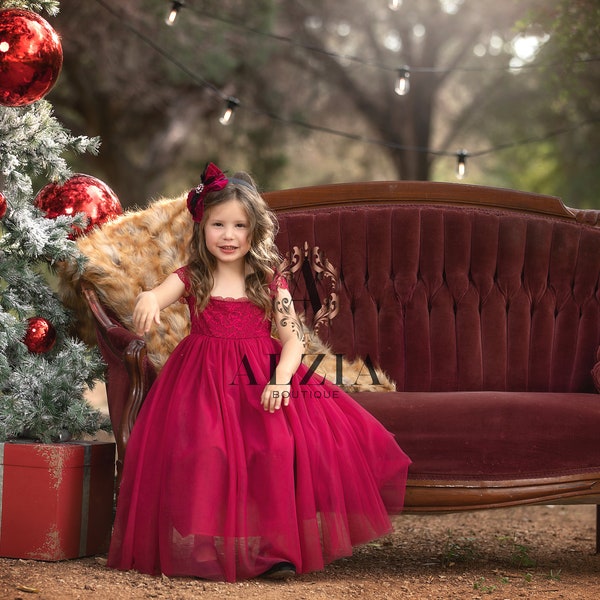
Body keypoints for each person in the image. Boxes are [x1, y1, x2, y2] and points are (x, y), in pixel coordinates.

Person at [107, 163, 411, 582]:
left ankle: (276, 548)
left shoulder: (269, 281)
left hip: (260, 381)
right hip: (202, 381)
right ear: (201, 228)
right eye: (218, 225)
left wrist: (281, 380)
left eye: (239, 226)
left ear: (254, 232)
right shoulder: (193, 276)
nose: (228, 235)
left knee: (278, 449)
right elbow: (160, 294)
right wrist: (148, 299)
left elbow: (294, 340)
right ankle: (201, 545)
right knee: (204, 449)